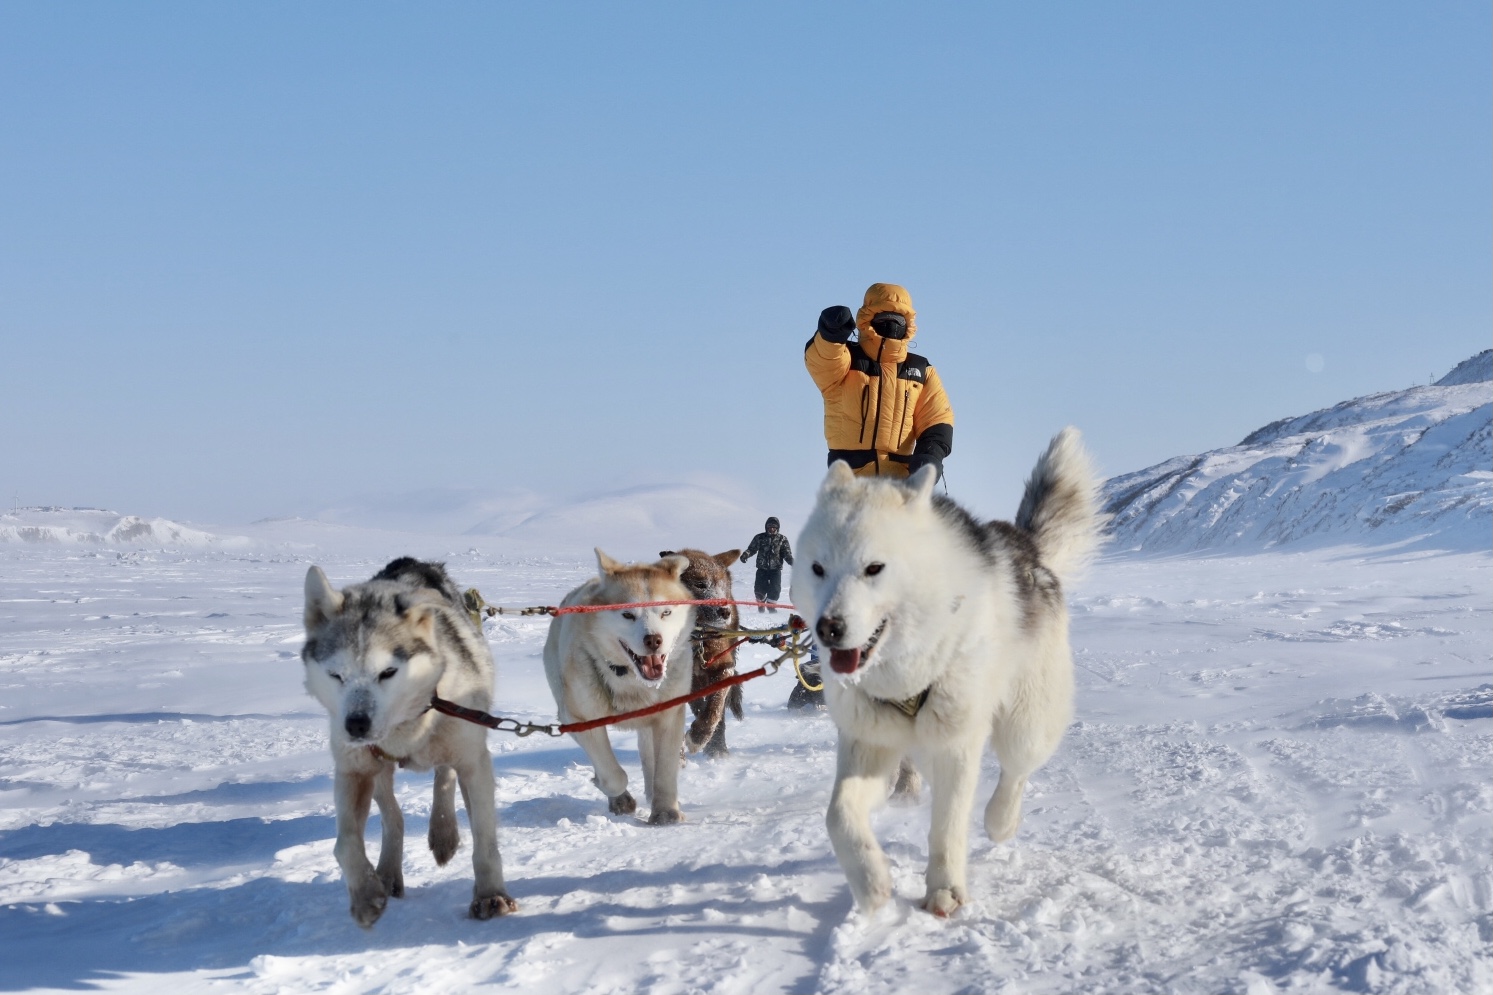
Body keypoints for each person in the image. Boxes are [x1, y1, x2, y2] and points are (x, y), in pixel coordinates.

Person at [804, 283, 953, 480]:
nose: (891, 325)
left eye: (898, 319)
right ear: (867, 320)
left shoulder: (921, 370)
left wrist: (931, 454)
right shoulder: (846, 359)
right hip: (848, 481)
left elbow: (936, 419)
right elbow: (823, 360)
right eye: (883, 318)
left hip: (899, 485)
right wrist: (829, 336)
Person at [740, 517, 792, 612]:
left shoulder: (782, 539)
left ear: (777, 528)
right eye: (769, 526)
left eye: (774, 527)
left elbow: (786, 553)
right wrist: (745, 555)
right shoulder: (759, 537)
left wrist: (792, 562)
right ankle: (761, 605)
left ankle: (771, 608)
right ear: (766, 527)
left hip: (775, 570)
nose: (771, 529)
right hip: (762, 569)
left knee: (775, 590)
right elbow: (752, 549)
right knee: (759, 589)